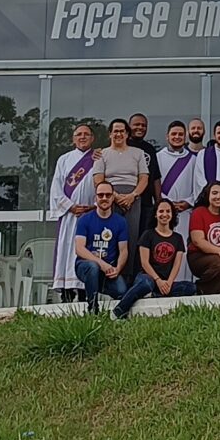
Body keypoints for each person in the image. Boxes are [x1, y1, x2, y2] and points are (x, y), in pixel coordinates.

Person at [46, 122, 101, 297]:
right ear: (73, 139)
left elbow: (103, 185)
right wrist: (71, 207)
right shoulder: (64, 159)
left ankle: (86, 290)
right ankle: (67, 291)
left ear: (92, 138)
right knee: (67, 250)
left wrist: (94, 206)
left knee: (89, 251)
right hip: (70, 216)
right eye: (79, 134)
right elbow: (56, 188)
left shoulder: (98, 158)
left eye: (86, 134)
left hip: (91, 215)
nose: (82, 137)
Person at [118, 198, 196, 318]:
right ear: (155, 214)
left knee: (191, 288)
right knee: (146, 284)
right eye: (161, 211)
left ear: (172, 214)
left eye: (168, 211)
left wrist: (168, 283)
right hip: (147, 277)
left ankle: (153, 295)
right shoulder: (148, 235)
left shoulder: (178, 238)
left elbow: (177, 265)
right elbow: (144, 263)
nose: (164, 214)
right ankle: (120, 310)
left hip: (166, 281)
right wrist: (157, 280)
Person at [71, 178, 131, 313]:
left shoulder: (120, 222)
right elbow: (79, 249)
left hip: (109, 270)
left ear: (113, 198)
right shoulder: (84, 219)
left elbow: (123, 250)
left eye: (108, 195)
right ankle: (93, 307)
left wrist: (118, 268)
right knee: (93, 267)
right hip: (85, 266)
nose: (104, 198)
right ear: (96, 197)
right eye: (101, 195)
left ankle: (99, 290)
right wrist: (102, 264)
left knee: (122, 291)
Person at [97, 119, 152, 241]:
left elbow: (144, 178)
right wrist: (114, 196)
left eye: (122, 131)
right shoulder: (101, 154)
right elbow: (98, 180)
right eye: (115, 131)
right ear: (110, 134)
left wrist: (132, 195)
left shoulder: (138, 153)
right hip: (109, 197)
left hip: (133, 198)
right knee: (109, 235)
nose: (119, 134)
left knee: (131, 235)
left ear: (127, 134)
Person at [156, 120, 202, 214]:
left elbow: (198, 185)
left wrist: (188, 202)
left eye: (180, 134)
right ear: (167, 136)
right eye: (174, 134)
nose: (177, 137)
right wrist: (167, 202)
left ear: (185, 137)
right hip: (164, 210)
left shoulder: (193, 159)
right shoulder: (158, 157)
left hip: (186, 210)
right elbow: (155, 184)